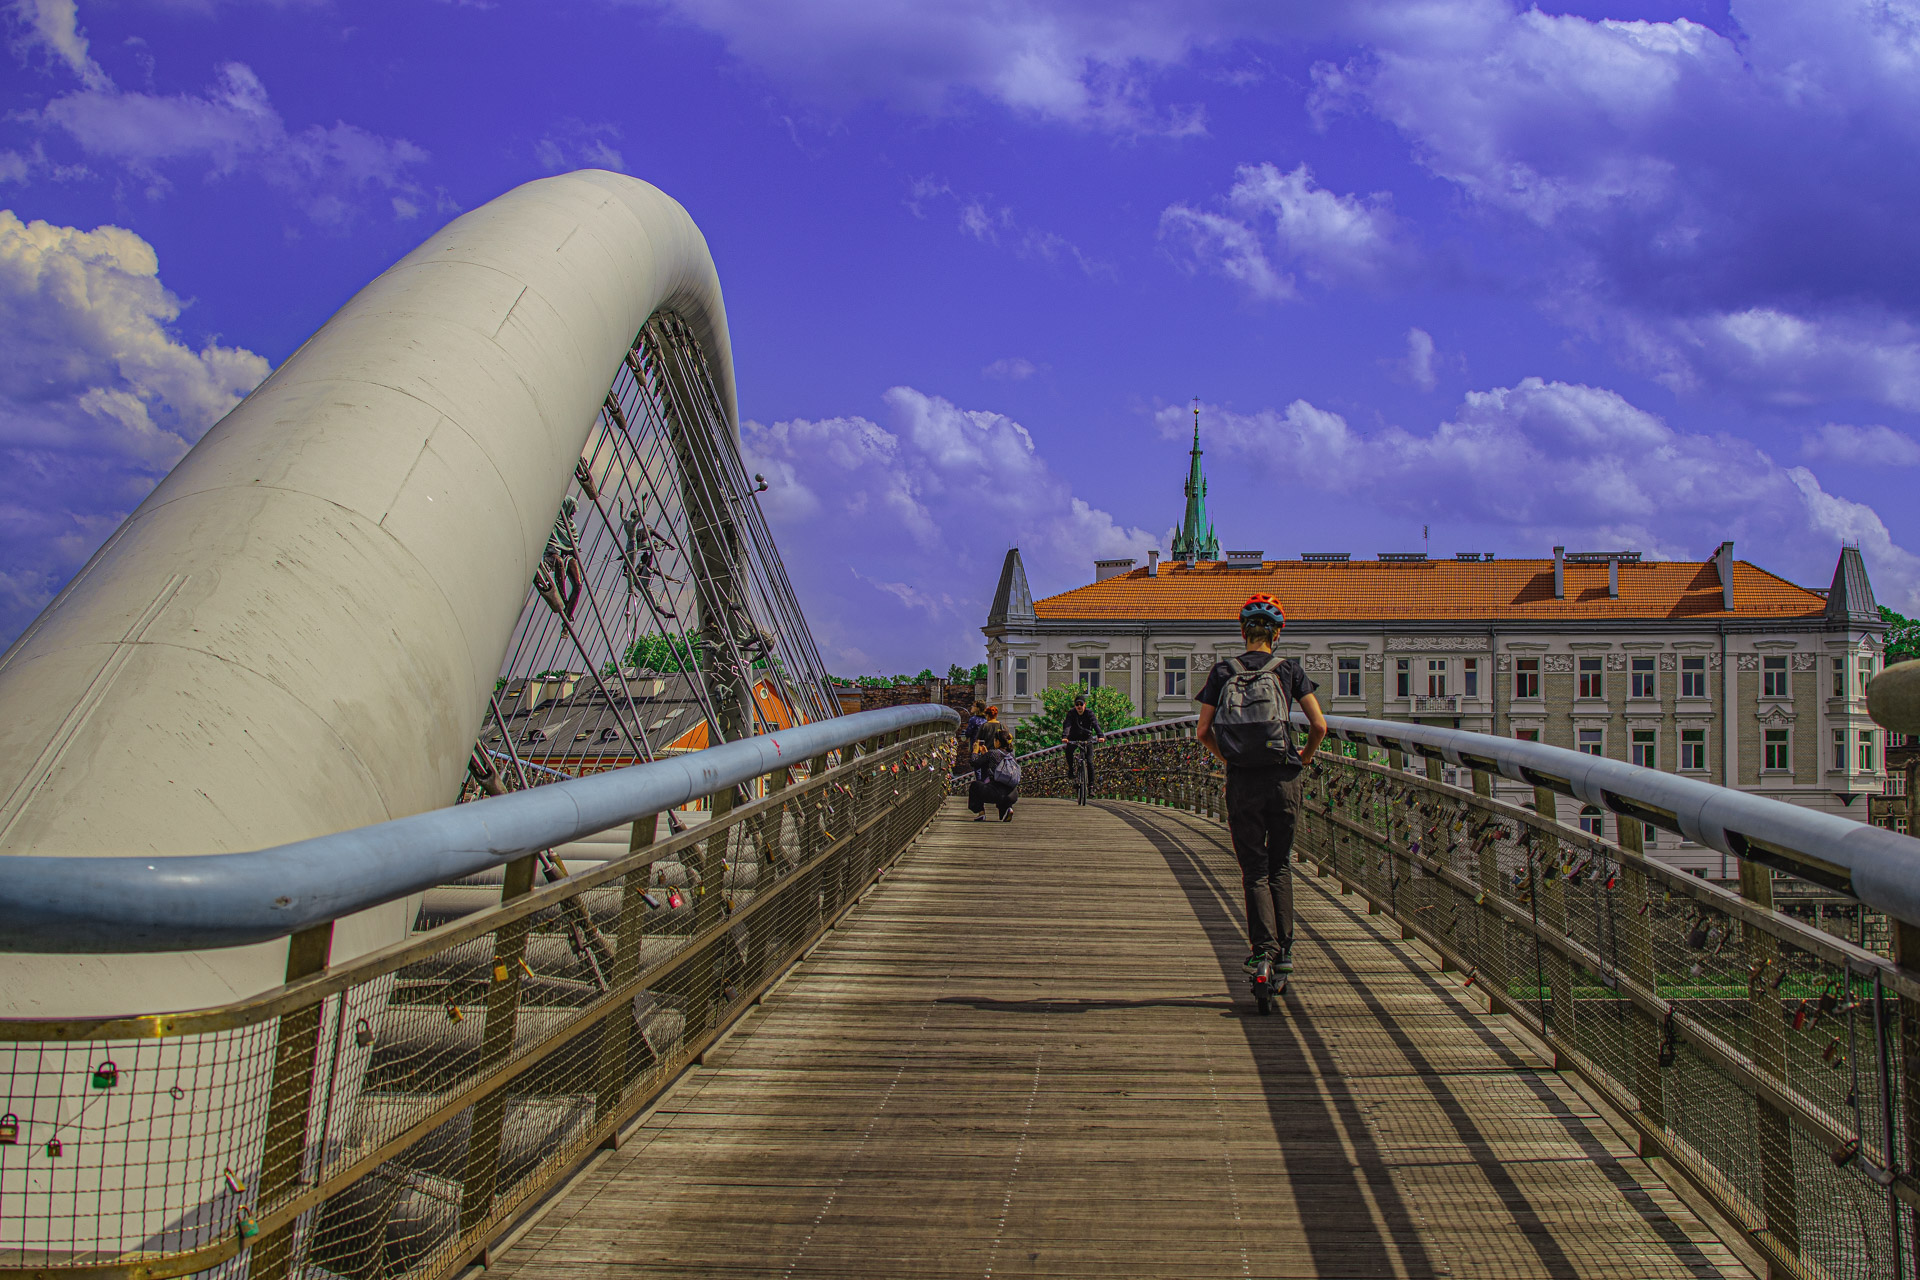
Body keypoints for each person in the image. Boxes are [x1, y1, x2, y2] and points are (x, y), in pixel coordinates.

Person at [1195, 593, 1328, 979]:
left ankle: (1262, 953)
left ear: (1243, 632)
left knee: (1253, 869)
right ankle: (1285, 952)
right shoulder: (1289, 670)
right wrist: (1303, 756)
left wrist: (1229, 759)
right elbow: (1319, 727)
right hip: (1283, 777)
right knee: (1280, 865)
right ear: (1277, 633)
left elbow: (1202, 731)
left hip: (1243, 782)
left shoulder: (1223, 671)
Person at [968, 717, 1019, 821]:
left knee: (975, 786)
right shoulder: (1011, 755)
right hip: (1012, 794)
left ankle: (981, 813)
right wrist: (985, 754)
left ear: (998, 742)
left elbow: (975, 763)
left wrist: (975, 751)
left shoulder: (992, 753)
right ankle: (1008, 808)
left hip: (994, 793)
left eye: (995, 740)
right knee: (1003, 789)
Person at [1060, 691, 1105, 790]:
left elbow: (1095, 724)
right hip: (1073, 737)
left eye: (1081, 704)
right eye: (1077, 705)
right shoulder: (1071, 713)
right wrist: (1065, 736)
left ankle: (1091, 785)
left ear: (1085, 705)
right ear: (1075, 706)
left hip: (1086, 737)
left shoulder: (1089, 713)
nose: (1079, 707)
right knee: (1068, 751)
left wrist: (1100, 735)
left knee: (1089, 761)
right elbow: (1067, 725)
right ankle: (1071, 770)